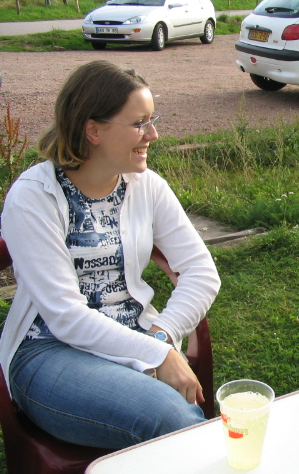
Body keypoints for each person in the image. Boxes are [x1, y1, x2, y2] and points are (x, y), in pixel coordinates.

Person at [0, 60, 221, 449]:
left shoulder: (147, 186)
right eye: (139, 123)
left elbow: (202, 273)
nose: (153, 134)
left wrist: (162, 334)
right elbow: (66, 317)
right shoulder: (33, 197)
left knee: (173, 418)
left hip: (134, 335)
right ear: (93, 130)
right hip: (49, 351)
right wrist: (156, 353)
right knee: (173, 419)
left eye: (152, 121)